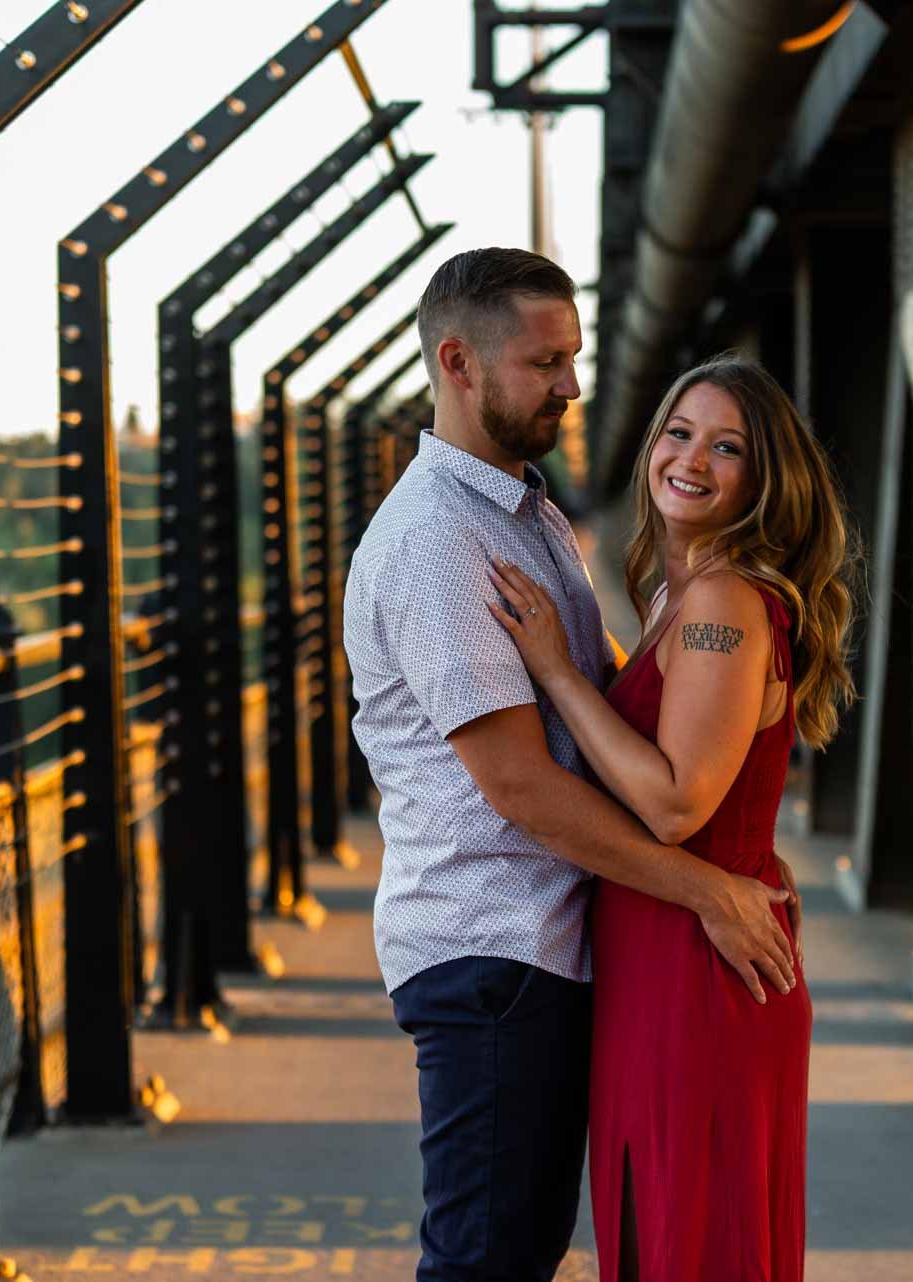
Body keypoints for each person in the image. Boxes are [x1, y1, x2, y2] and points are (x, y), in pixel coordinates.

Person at [342, 250, 801, 1282]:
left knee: (527, 1248)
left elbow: (615, 719)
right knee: (485, 1261)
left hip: (558, 946)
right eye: (546, 364)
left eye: (575, 358)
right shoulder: (436, 541)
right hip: (490, 949)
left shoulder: (527, 512)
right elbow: (519, 785)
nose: (573, 387)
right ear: (459, 363)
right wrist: (713, 886)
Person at [484, 355, 859, 1281]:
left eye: (726, 446)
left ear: (764, 478)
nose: (691, 458)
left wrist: (559, 674)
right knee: (664, 1227)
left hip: (701, 962)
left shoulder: (725, 599)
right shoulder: (677, 596)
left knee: (692, 1232)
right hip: (668, 945)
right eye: (679, 433)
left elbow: (677, 801)